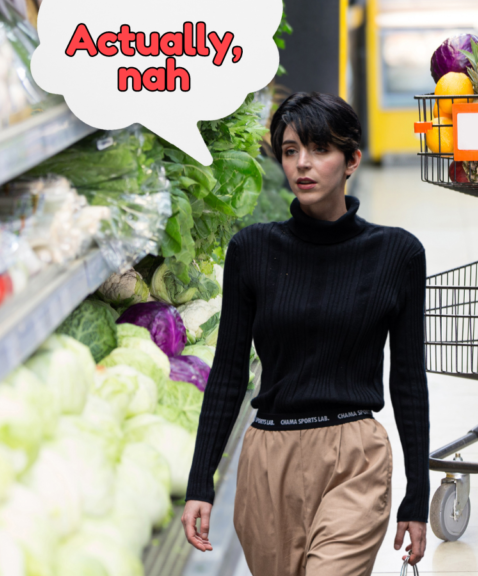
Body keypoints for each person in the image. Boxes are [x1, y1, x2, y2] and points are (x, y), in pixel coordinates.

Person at [181, 91, 429, 575]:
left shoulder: (397, 254)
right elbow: (229, 373)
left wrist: (416, 495)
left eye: (320, 149)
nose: (303, 164)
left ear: (352, 158)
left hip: (354, 458)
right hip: (268, 459)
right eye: (291, 150)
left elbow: (408, 381)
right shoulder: (251, 250)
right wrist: (200, 483)